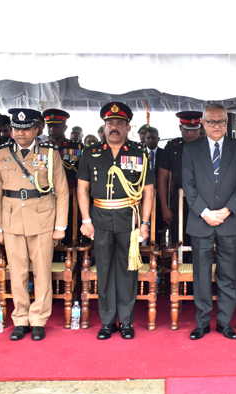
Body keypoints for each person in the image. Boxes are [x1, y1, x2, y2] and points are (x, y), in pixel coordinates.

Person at [0, 108, 69, 341]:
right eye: (16, 128)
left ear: (36, 129)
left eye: (26, 129)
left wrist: (60, 225)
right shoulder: (2, 153)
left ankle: (38, 319)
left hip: (42, 217)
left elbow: (62, 191)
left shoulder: (49, 153)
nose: (20, 133)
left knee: (42, 271)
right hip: (11, 218)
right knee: (17, 272)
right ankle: (21, 319)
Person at [77, 102, 153, 340]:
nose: (114, 127)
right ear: (104, 126)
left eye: (119, 123)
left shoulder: (139, 153)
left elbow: (148, 191)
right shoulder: (91, 152)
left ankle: (126, 322)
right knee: (105, 269)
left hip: (129, 220)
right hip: (100, 218)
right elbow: (82, 188)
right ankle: (108, 322)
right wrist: (86, 220)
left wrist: (145, 224)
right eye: (110, 123)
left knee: (128, 270)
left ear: (128, 127)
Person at [182, 102, 236, 340]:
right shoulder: (191, 149)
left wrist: (227, 211)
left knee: (228, 274)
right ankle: (202, 323)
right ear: (203, 123)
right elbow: (188, 186)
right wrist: (205, 213)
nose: (216, 126)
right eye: (211, 121)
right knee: (201, 275)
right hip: (201, 221)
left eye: (221, 121)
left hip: (228, 221)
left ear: (227, 122)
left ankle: (224, 323)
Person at [157, 111, 202, 245]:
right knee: (179, 242)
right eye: (187, 130)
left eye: (194, 130)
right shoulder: (172, 147)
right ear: (180, 128)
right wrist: (164, 207)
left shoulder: (208, 146)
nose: (191, 134)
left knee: (202, 243)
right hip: (179, 201)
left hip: (203, 200)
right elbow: (162, 178)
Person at [42, 109, 83, 188]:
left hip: (70, 190)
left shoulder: (76, 147)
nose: (52, 129)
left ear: (65, 127)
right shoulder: (42, 147)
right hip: (48, 190)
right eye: (49, 126)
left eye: (56, 126)